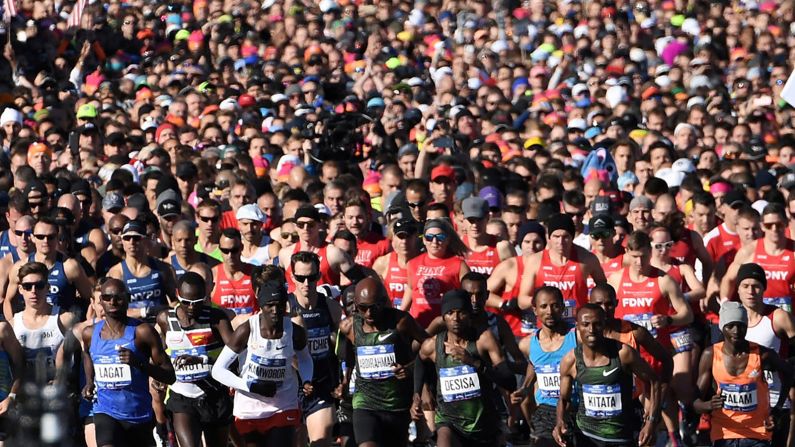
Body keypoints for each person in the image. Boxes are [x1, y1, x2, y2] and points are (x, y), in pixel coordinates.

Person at [211, 281, 315, 446]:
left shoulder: (295, 332)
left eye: (279, 305)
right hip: (250, 408)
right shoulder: (247, 330)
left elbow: (304, 359)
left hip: (283, 404)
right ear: (261, 306)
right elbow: (218, 370)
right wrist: (251, 386)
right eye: (270, 306)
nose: (275, 311)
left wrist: (307, 378)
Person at [413, 289, 515, 447]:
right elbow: (419, 362)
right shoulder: (432, 346)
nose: (455, 318)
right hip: (449, 421)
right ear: (443, 317)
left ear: (469, 315)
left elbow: (509, 381)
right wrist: (417, 393)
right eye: (450, 313)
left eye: (461, 312)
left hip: (483, 423)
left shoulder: (483, 340)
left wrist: (474, 362)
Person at [81, 278, 176, 447]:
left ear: (127, 298)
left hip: (138, 415)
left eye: (118, 297)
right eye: (107, 297)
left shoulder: (143, 332)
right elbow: (87, 354)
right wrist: (89, 382)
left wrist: (139, 363)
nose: (113, 302)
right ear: (100, 301)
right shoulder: (90, 334)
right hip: (105, 411)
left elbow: (170, 376)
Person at [554, 305, 663, 447]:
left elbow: (654, 381)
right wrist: (560, 420)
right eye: (585, 325)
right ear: (577, 326)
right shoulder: (571, 360)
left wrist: (651, 421)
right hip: (586, 436)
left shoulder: (623, 353)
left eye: (597, 324)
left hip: (621, 437)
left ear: (604, 325)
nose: (591, 330)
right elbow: (563, 398)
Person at [338, 277, 428, 447]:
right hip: (365, 403)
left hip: (397, 405)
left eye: (374, 307)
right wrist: (345, 380)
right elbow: (349, 356)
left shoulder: (401, 322)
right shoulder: (348, 327)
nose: (368, 314)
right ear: (355, 305)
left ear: (384, 302)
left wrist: (410, 368)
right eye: (362, 308)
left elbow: (432, 349)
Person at [694, 301, 793, 447]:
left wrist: (777, 409)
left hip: (757, 433)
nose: (736, 331)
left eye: (741, 326)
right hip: (724, 432)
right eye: (730, 326)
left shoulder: (762, 354)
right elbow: (695, 403)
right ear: (722, 328)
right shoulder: (710, 354)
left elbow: (789, 373)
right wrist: (708, 404)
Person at [156, 272, 234, 447]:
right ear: (177, 294)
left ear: (206, 297)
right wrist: (158, 377)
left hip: (214, 395)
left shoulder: (216, 318)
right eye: (186, 302)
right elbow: (159, 355)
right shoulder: (165, 319)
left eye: (198, 302)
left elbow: (234, 359)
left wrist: (201, 360)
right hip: (182, 396)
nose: (191, 308)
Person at [733, 263, 795, 446]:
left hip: (775, 403)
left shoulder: (777, 317)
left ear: (764, 289)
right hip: (742, 405)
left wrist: (778, 364)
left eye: (756, 286)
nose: (751, 291)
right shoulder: (732, 320)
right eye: (745, 286)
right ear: (737, 290)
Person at [287, 251, 344, 447]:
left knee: (320, 442)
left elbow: (342, 347)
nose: (306, 283)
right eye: (300, 278)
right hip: (290, 389)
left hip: (321, 388)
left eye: (311, 277)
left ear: (319, 276)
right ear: (292, 276)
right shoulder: (283, 308)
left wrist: (342, 378)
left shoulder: (331, 307)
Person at [512, 286, 577, 447]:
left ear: (562, 307)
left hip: (576, 409)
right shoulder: (527, 344)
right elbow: (533, 365)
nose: (549, 311)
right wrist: (525, 387)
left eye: (555, 306)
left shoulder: (577, 336)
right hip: (545, 412)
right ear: (535, 310)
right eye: (543, 306)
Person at [518, 213, 606, 323]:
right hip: (547, 326)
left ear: (572, 237)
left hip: (578, 326)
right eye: (556, 237)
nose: (560, 242)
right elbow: (522, 301)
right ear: (549, 237)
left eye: (565, 237)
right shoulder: (535, 260)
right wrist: (547, 304)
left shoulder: (587, 259)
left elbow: (604, 292)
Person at [722, 203, 795, 312]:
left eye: (778, 224)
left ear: (785, 223)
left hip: (790, 317)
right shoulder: (749, 251)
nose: (774, 229)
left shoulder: (793, 250)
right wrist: (725, 305)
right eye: (769, 225)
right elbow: (728, 279)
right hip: (758, 317)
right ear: (762, 226)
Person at [279, 204, 368, 293]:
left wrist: (337, 291)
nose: (305, 228)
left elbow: (361, 282)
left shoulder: (333, 253)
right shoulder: (285, 254)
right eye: (301, 224)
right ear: (295, 226)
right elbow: (277, 284)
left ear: (319, 225)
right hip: (295, 306)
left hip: (326, 305)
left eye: (310, 224)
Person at [10, 261, 73, 382]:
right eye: (27, 286)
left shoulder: (64, 319)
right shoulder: (12, 325)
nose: (33, 291)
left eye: (39, 285)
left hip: (58, 394)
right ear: (20, 289)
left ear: (48, 287)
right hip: (26, 395)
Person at [403, 218, 470, 327]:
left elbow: (468, 295)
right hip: (418, 325)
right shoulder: (412, 264)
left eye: (440, 237)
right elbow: (411, 289)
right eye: (429, 237)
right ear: (424, 240)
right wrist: (401, 313)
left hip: (445, 327)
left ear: (447, 240)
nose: (434, 242)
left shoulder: (459, 265)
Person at [107, 219, 177, 322]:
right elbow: (113, 309)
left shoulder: (163, 269)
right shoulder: (116, 273)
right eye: (127, 238)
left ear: (145, 240)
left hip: (159, 325)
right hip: (131, 327)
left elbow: (175, 301)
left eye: (136, 238)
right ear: (122, 241)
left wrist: (169, 311)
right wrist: (145, 312)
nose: (132, 242)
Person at [487, 221, 546, 337]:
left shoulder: (551, 266)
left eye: (537, 242)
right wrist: (504, 304)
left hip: (543, 336)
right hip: (513, 335)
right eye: (527, 242)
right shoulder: (510, 266)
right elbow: (482, 293)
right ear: (520, 244)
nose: (532, 247)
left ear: (544, 244)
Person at [211, 229, 258, 326]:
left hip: (252, 331)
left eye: (234, 250)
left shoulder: (255, 273)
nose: (230, 255)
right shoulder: (213, 275)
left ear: (241, 248)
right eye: (225, 251)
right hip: (224, 333)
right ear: (219, 250)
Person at [373, 218, 420, 309]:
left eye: (408, 236)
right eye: (401, 237)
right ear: (393, 238)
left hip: (417, 318)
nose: (404, 242)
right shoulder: (383, 262)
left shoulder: (424, 262)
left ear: (416, 237)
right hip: (391, 317)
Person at [460, 197, 513, 275]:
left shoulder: (501, 247)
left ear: (488, 218)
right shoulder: (457, 246)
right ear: (463, 219)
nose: (475, 225)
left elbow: (515, 279)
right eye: (471, 220)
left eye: (479, 219)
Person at [343, 198, 391, 269]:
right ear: (344, 219)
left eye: (359, 217)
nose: (355, 222)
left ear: (368, 217)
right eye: (350, 217)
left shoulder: (384, 245)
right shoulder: (338, 244)